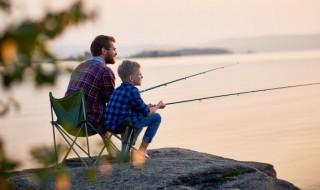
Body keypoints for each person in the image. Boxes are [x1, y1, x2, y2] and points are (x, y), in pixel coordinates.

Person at [104, 60, 165, 168]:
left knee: (138, 118)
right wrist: (157, 106)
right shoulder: (133, 91)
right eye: (140, 75)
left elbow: (132, 106)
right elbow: (146, 113)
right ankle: (142, 150)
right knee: (156, 117)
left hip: (110, 126)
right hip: (123, 125)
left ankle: (126, 151)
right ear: (131, 78)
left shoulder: (117, 90)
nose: (142, 77)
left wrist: (147, 106)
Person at [65, 35, 117, 154]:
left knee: (99, 110)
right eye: (113, 49)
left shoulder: (79, 66)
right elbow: (112, 101)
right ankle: (122, 153)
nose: (116, 53)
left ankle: (112, 152)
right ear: (104, 51)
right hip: (86, 123)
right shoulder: (105, 70)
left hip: (68, 120)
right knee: (121, 111)